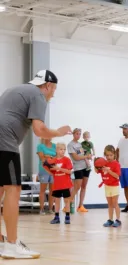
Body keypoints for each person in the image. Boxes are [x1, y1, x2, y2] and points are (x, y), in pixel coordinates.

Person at [0, 70, 71, 259]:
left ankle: (0, 242)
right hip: (4, 142)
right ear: (47, 85)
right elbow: (40, 131)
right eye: (53, 89)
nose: (53, 94)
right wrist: (59, 132)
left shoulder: (13, 90)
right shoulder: (38, 95)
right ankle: (12, 245)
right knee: (13, 190)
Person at [95, 145, 122, 228]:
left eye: (111, 155)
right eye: (107, 155)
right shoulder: (104, 163)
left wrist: (108, 170)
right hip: (107, 186)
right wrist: (95, 164)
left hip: (114, 186)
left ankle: (118, 220)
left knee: (115, 203)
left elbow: (117, 176)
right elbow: (97, 171)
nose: (109, 157)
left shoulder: (116, 164)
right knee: (109, 204)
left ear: (114, 155)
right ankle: (110, 220)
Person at [68, 128, 92, 213]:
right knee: (76, 187)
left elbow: (82, 154)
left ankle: (80, 206)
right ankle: (68, 204)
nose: (78, 135)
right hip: (78, 168)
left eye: (79, 134)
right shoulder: (70, 145)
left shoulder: (80, 144)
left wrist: (88, 156)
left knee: (84, 187)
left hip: (86, 167)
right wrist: (86, 157)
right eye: (77, 133)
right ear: (73, 134)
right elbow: (76, 157)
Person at [49, 143, 73, 225]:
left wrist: (59, 168)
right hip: (57, 184)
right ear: (56, 150)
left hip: (65, 184)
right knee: (57, 200)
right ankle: (56, 217)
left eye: (64, 149)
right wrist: (48, 165)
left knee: (67, 200)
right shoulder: (54, 160)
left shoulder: (67, 160)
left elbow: (69, 171)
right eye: (61, 149)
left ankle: (67, 217)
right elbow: (51, 170)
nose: (63, 151)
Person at [36, 138, 56, 214]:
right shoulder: (40, 146)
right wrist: (51, 157)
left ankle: (50, 209)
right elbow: (42, 158)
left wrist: (48, 156)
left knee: (52, 190)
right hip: (43, 170)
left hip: (53, 170)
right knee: (42, 190)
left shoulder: (54, 146)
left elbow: (57, 158)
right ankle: (41, 209)